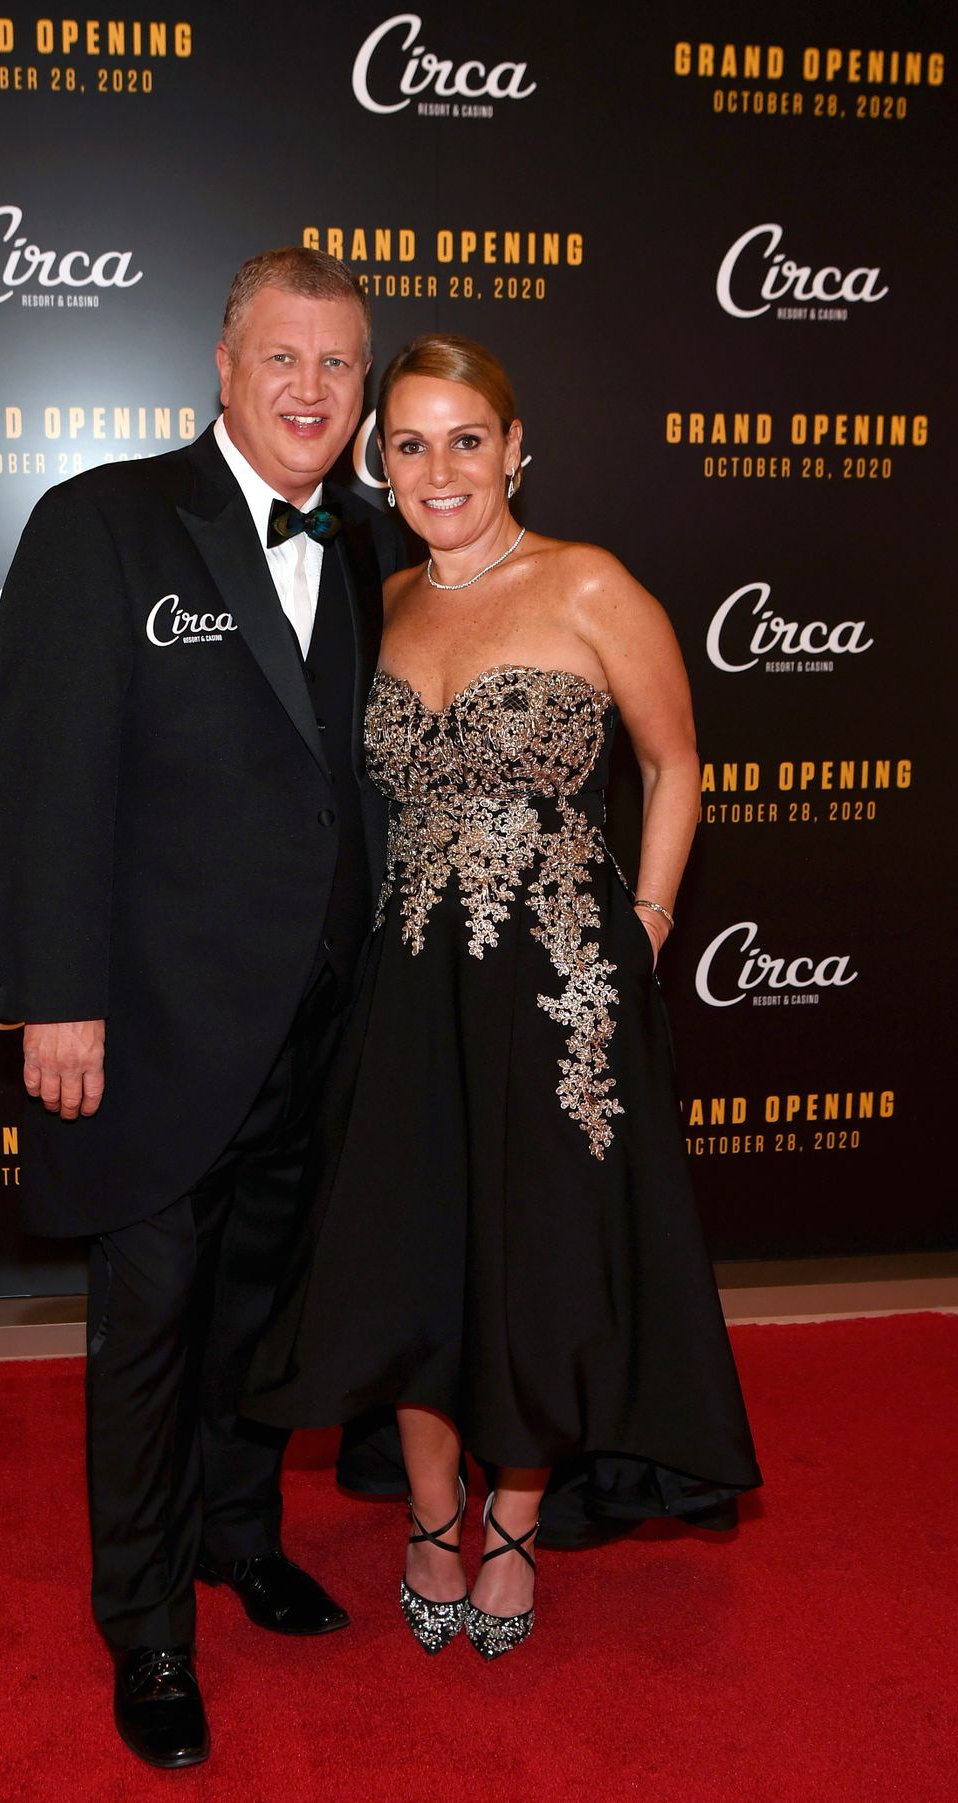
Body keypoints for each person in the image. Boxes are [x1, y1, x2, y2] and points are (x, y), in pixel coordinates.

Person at [245, 333, 762, 1661]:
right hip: (407, 986)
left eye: (465, 439)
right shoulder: (385, 598)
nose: (439, 468)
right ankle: (432, 1514)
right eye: (408, 443)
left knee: (536, 1261)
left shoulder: (589, 585)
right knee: (412, 1254)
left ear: (516, 448)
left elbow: (676, 760)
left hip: (563, 993)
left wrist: (644, 924)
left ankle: (517, 1523)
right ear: (378, 462)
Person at [0, 247, 404, 1768]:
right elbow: (43, 785)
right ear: (222, 369)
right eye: (281, 357)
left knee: (260, 1319)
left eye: (338, 365)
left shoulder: (360, 543)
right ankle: (148, 1625)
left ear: (362, 393)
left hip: (313, 1023)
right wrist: (56, 999)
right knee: (150, 1340)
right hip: (150, 1024)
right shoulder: (102, 524)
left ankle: (241, 1535)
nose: (309, 388)